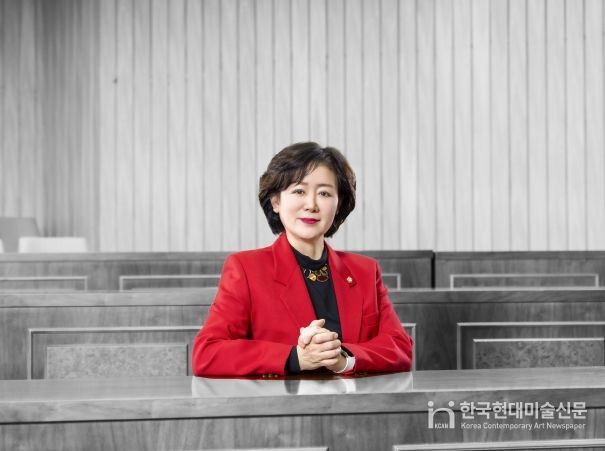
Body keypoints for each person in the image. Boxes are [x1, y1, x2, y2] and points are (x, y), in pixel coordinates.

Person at [192, 142, 413, 377]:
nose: (311, 205)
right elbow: (207, 354)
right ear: (276, 202)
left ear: (339, 204)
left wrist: (343, 359)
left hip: (354, 399)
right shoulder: (246, 269)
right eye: (299, 191)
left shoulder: (365, 271)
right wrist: (295, 357)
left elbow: (400, 347)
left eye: (324, 193)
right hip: (283, 400)